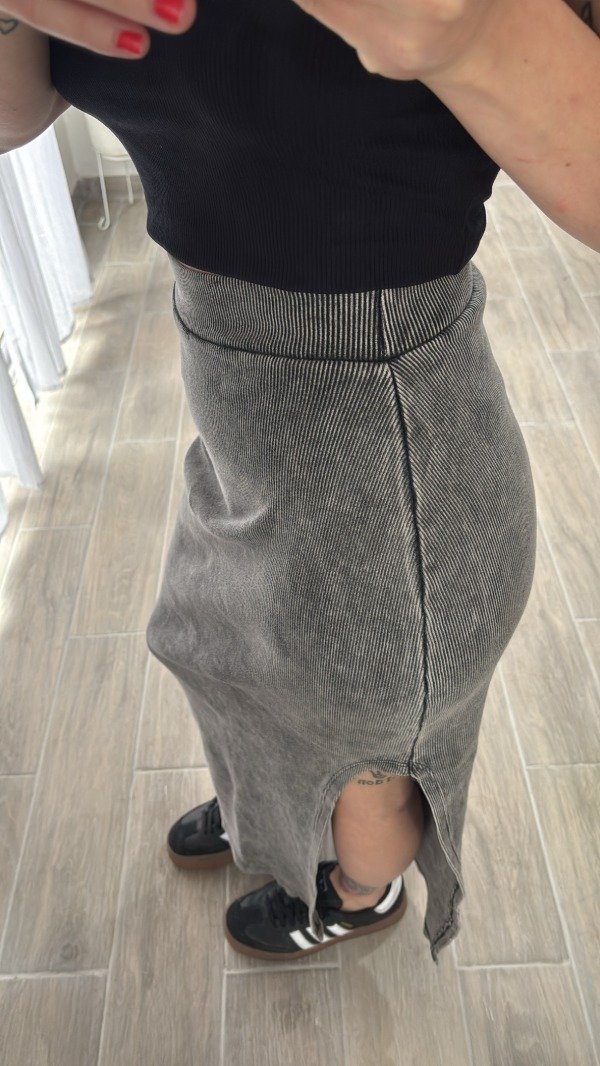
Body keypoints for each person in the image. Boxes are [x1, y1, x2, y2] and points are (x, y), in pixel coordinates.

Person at [1, 0, 598, 966]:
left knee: (364, 733)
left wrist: (472, 31)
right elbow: (12, 114)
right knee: (229, 652)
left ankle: (357, 893)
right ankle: (275, 818)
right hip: (240, 403)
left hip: (382, 436)